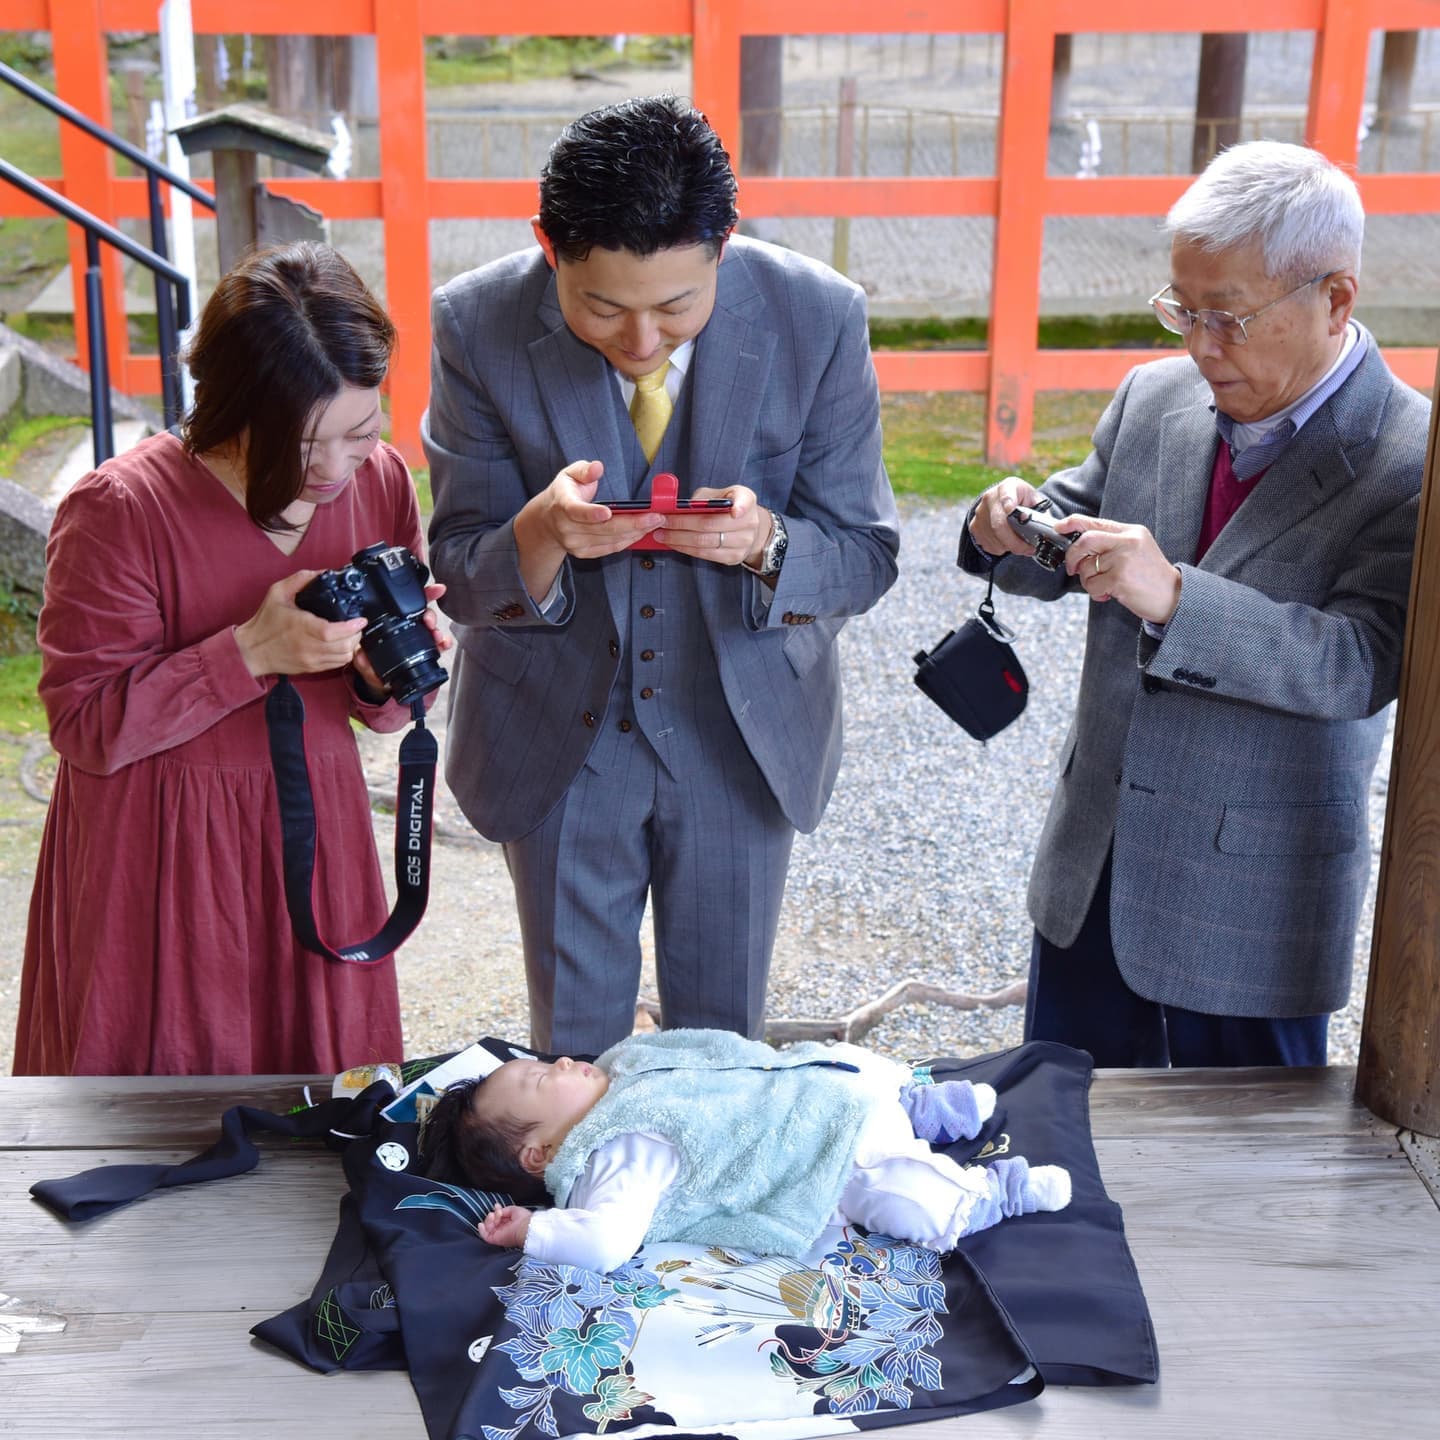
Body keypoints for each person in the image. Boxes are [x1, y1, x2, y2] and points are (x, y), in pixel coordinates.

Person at [423, 95, 900, 1055]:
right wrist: (541, 534)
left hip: (742, 734)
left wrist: (769, 543)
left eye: (676, 307)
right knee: (572, 1061)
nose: (642, 341)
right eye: (602, 306)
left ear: (723, 244)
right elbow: (458, 571)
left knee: (724, 1051)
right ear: (547, 247)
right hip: (557, 736)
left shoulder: (819, 318)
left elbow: (867, 552)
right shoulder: (475, 325)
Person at [961, 141, 1429, 1069]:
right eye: (1184, 308)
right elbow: (1072, 523)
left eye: (1230, 318)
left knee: (1242, 1193)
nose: (1199, 344)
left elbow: (1365, 663)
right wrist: (1003, 527)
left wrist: (1175, 597)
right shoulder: (1155, 393)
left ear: (1337, 298)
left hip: (1252, 909)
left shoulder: (1411, 455)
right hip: (1091, 873)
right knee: (1059, 1155)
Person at [14, 241, 449, 1077]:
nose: (330, 468)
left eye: (358, 432)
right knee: (156, 1120)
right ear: (230, 409)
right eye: (296, 441)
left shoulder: (382, 482)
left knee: (323, 1117)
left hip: (318, 834)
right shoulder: (120, 509)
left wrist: (388, 677)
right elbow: (83, 725)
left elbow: (381, 711)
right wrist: (249, 650)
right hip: (159, 851)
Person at [421, 1029, 1071, 1274]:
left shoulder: (625, 1064)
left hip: (811, 1085)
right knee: (900, 1192)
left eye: (541, 1061)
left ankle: (919, 1104)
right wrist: (537, 1228)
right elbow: (605, 1241)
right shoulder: (615, 1151)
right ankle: (995, 1193)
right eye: (540, 1079)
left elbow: (722, 1048)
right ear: (541, 1154)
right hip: (813, 1159)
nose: (558, 1060)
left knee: (849, 1060)